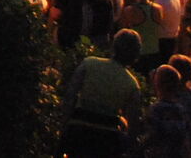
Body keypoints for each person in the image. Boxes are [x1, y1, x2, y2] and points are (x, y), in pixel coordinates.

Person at [61, 28, 146, 157]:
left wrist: (64, 127)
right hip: (107, 140)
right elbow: (133, 125)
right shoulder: (132, 84)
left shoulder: (89, 63)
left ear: (114, 45)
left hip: (78, 132)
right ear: (135, 55)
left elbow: (70, 96)